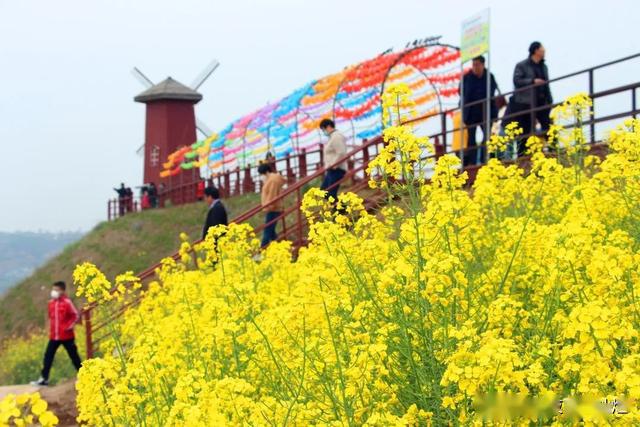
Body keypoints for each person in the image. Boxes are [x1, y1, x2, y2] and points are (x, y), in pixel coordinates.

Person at [31, 281, 82, 386]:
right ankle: (44, 379)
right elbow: (50, 318)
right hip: (54, 336)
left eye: (57, 290)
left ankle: (84, 375)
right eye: (53, 289)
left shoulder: (67, 302)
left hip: (67, 336)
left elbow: (76, 315)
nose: (54, 292)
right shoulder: (51, 303)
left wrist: (68, 327)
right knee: (48, 356)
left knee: (74, 356)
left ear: (62, 291)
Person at [508, 41, 553, 153]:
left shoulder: (544, 67)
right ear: (536, 50)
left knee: (549, 127)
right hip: (526, 103)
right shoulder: (522, 65)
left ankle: (553, 150)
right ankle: (523, 156)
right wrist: (532, 81)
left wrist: (550, 100)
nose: (544, 51)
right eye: (542, 49)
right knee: (525, 131)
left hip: (542, 101)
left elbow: (547, 84)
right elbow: (517, 80)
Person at [460, 55, 499, 166]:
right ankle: (472, 162)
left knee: (487, 136)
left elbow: (492, 91)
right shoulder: (467, 77)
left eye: (477, 65)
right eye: (473, 65)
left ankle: (485, 159)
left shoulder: (489, 76)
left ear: (483, 65)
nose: (475, 67)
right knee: (471, 138)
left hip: (486, 111)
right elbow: (462, 92)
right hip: (471, 112)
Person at [319, 118, 347, 201]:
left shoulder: (336, 136)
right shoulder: (332, 137)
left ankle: (342, 210)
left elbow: (341, 152)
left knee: (330, 193)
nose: (324, 132)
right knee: (324, 191)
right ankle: (341, 209)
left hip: (336, 168)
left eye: (323, 129)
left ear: (328, 126)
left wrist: (335, 164)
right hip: (332, 169)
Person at [258, 163, 286, 247]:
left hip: (273, 208)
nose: (261, 176)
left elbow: (272, 195)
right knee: (271, 231)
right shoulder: (272, 179)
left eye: (261, 174)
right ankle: (279, 248)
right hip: (273, 207)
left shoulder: (272, 180)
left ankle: (262, 249)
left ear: (266, 172)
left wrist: (268, 206)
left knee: (268, 230)